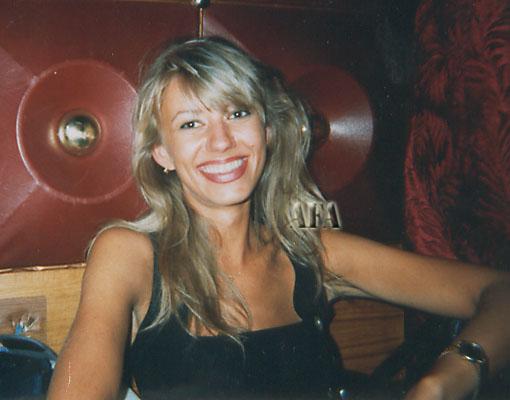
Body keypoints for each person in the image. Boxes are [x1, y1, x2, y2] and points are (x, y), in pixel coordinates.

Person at [48, 37, 510, 400]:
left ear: (267, 133)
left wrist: (440, 382)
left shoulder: (313, 252)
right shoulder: (129, 254)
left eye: (237, 113)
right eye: (191, 124)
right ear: (162, 154)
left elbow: (499, 291)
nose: (221, 141)